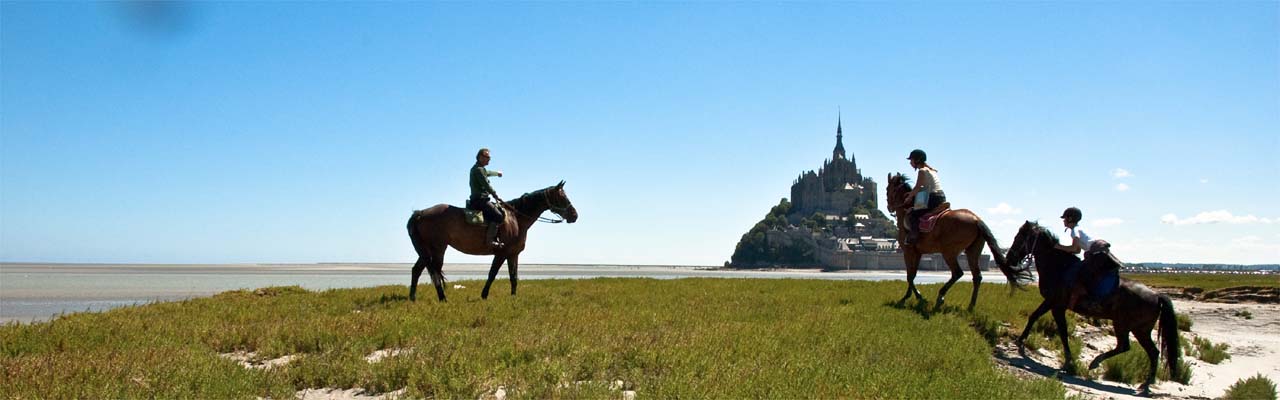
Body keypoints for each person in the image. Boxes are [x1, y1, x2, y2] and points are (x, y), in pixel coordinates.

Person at [1057, 207, 1118, 308]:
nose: (1063, 220)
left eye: (1065, 218)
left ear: (1070, 219)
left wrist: (1057, 246)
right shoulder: (1077, 229)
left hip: (1097, 254)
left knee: (1076, 273)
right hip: (1098, 252)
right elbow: (1077, 250)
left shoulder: (1074, 231)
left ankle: (1088, 299)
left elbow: (1073, 247)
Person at [903, 149, 946, 245]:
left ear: (917, 160)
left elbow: (918, 187)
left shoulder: (922, 171)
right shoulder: (931, 170)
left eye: (911, 160)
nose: (910, 163)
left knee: (913, 214)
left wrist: (909, 197)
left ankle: (913, 236)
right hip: (941, 197)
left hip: (932, 198)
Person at [469, 148, 505, 249]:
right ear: (480, 157)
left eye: (489, 157)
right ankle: (490, 241)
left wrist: (496, 173)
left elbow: (487, 172)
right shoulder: (478, 170)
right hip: (480, 200)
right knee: (498, 216)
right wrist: (495, 195)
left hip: (478, 199)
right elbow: (486, 184)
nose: (489, 159)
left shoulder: (479, 168)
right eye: (487, 157)